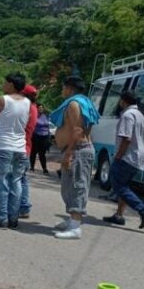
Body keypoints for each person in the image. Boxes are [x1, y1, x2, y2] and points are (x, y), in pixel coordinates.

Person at [50, 76, 99, 240]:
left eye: (63, 87)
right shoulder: (84, 102)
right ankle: (71, 219)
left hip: (78, 150)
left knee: (77, 187)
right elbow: (87, 126)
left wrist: (69, 154)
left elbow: (78, 130)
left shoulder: (73, 104)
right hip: (76, 149)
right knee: (68, 188)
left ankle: (75, 227)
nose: (62, 90)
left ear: (70, 88)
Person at [103, 90, 144, 229]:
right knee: (124, 187)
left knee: (118, 186)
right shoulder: (140, 115)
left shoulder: (127, 115)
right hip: (138, 157)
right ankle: (119, 215)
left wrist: (118, 157)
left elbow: (126, 139)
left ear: (123, 101)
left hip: (127, 157)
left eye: (120, 100)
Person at [0, 73, 30, 229]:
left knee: (0, 182)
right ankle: (13, 218)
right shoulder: (27, 102)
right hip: (20, 147)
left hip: (3, 145)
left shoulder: (3, 99)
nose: (3, 85)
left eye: (5, 82)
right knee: (16, 182)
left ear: (11, 84)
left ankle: (1, 218)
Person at [18, 85, 39, 219]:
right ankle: (23, 206)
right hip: (26, 146)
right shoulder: (34, 108)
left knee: (19, 179)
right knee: (22, 178)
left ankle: (23, 206)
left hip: (21, 146)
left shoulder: (27, 108)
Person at [31, 104, 51, 173]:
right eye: (39, 108)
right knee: (33, 152)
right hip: (36, 136)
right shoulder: (34, 115)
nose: (41, 109)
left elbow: (48, 126)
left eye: (42, 108)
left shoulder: (45, 116)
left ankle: (44, 168)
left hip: (45, 136)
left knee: (42, 153)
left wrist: (49, 136)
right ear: (37, 108)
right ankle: (32, 167)